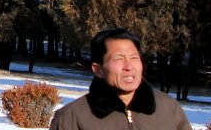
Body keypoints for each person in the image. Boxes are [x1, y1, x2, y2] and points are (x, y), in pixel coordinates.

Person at [48, 28, 191, 130]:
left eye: (134, 58)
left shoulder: (168, 109)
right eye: (119, 59)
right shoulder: (73, 117)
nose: (129, 66)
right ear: (98, 69)